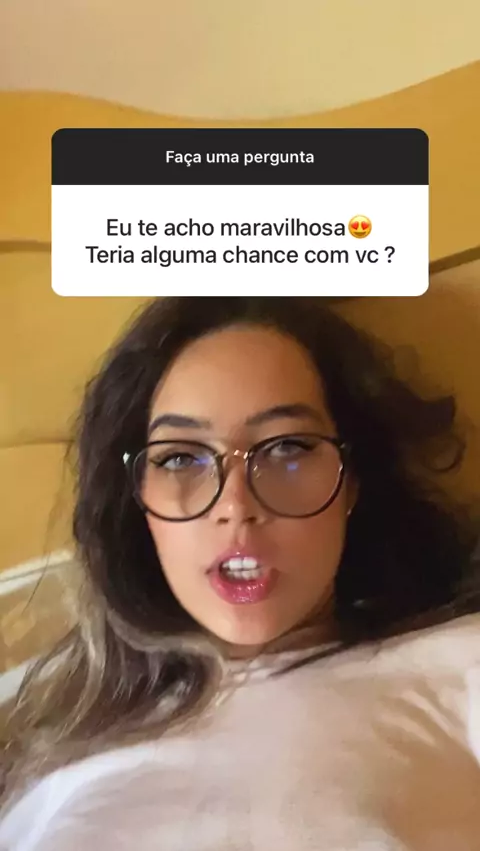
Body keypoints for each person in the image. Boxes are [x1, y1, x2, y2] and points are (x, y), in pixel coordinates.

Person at [1, 296, 480, 850]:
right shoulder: (47, 735)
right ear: (136, 499)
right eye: (181, 457)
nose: (235, 504)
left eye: (287, 447)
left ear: (351, 481)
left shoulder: (459, 665)